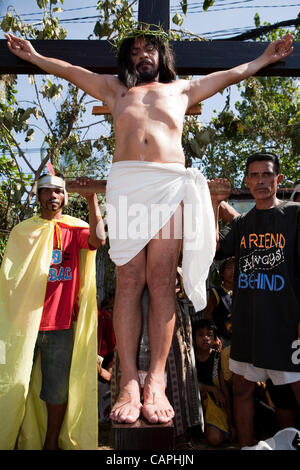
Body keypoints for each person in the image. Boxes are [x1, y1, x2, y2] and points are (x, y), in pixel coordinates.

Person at [4, 29, 294, 425]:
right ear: (129, 59)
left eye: (149, 49)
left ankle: (155, 381)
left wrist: (264, 58)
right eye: (136, 50)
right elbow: (70, 70)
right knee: (128, 281)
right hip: (126, 185)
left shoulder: (182, 90)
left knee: (160, 282)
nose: (143, 55)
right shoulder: (115, 89)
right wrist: (34, 56)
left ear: (161, 55)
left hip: (167, 184)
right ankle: (128, 382)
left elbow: (231, 73)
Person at [0, 174, 105, 450]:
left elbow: (99, 238)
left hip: (60, 327)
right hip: (22, 326)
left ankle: (50, 444)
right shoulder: (23, 231)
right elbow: (10, 279)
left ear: (64, 197)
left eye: (57, 191)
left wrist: (92, 199)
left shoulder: (74, 229)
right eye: (46, 191)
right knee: (13, 382)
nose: (52, 196)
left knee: (56, 392)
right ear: (38, 197)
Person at [211, 152, 300, 448]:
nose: (261, 181)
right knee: (241, 389)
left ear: (278, 179)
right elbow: (212, 246)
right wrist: (213, 202)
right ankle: (247, 446)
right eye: (254, 175)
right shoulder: (242, 224)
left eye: (266, 174)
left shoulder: (294, 215)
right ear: (247, 181)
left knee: (292, 391)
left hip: (287, 325)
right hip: (248, 325)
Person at [193, 319, 235, 446]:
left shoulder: (218, 358)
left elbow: (225, 394)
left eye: (209, 335)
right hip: (196, 403)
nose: (205, 338)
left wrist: (230, 423)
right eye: (200, 335)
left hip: (215, 405)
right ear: (193, 338)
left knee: (214, 439)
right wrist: (211, 389)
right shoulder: (190, 357)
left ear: (215, 338)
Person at [204, 257, 235, 348]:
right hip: (222, 339)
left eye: (236, 268)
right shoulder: (216, 292)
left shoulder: (241, 292)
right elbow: (208, 316)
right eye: (229, 268)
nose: (233, 271)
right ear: (222, 273)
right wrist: (214, 337)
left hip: (239, 337)